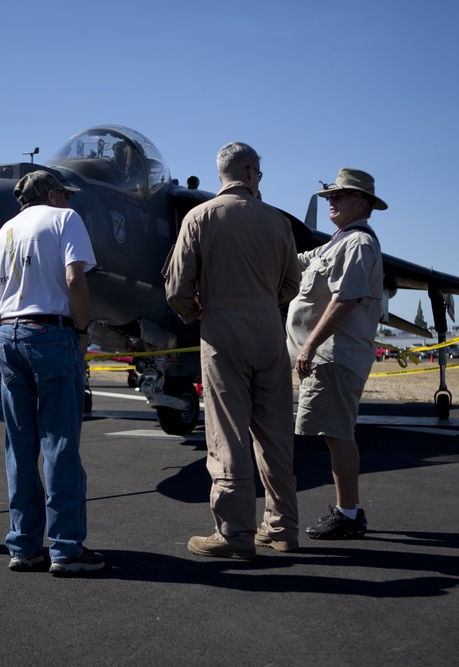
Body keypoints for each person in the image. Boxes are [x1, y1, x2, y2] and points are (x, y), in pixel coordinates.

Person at [164, 142, 301, 558]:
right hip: (268, 329)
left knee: (227, 434)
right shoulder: (278, 221)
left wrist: (198, 311)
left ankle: (235, 533)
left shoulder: (199, 217)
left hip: (222, 330)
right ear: (251, 171)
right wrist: (262, 302)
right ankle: (282, 528)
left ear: (221, 173)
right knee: (275, 434)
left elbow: (176, 287)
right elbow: (292, 284)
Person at [0, 169, 103, 575]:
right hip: (53, 333)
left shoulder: (4, 232)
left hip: (10, 334)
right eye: (65, 193)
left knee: (20, 445)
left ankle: (24, 545)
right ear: (51, 194)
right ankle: (66, 548)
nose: (69, 199)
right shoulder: (64, 219)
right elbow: (74, 278)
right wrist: (82, 332)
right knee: (60, 441)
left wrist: (4, 334)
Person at [286, 168, 387, 540]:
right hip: (327, 357)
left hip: (334, 356)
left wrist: (310, 345)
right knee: (333, 433)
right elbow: (297, 261)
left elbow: (346, 300)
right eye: (329, 196)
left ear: (362, 203)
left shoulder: (357, 244)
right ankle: (350, 510)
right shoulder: (336, 242)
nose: (331, 201)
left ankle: (348, 513)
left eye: (339, 196)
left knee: (337, 433)